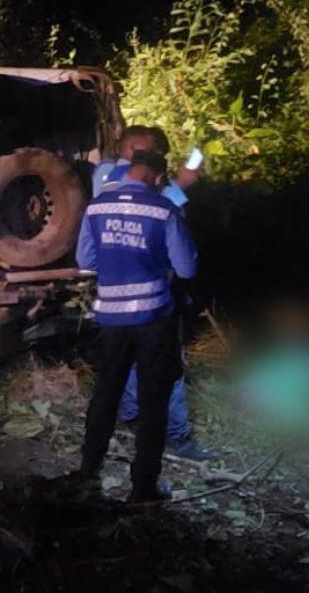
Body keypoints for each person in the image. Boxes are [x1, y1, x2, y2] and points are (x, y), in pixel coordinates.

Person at [75, 149, 199, 503]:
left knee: (105, 395)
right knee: (153, 401)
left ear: (131, 172)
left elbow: (85, 260)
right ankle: (143, 486)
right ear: (158, 177)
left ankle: (87, 472)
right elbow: (187, 268)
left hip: (111, 318)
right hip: (152, 319)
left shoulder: (97, 206)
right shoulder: (164, 209)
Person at [94, 126, 217, 461]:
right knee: (166, 367)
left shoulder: (112, 184)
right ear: (133, 149)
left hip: (116, 300)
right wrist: (182, 188)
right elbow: (154, 211)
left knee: (131, 363)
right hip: (150, 298)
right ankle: (176, 437)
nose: (158, 160)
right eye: (154, 153)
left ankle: (135, 421)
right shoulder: (111, 176)